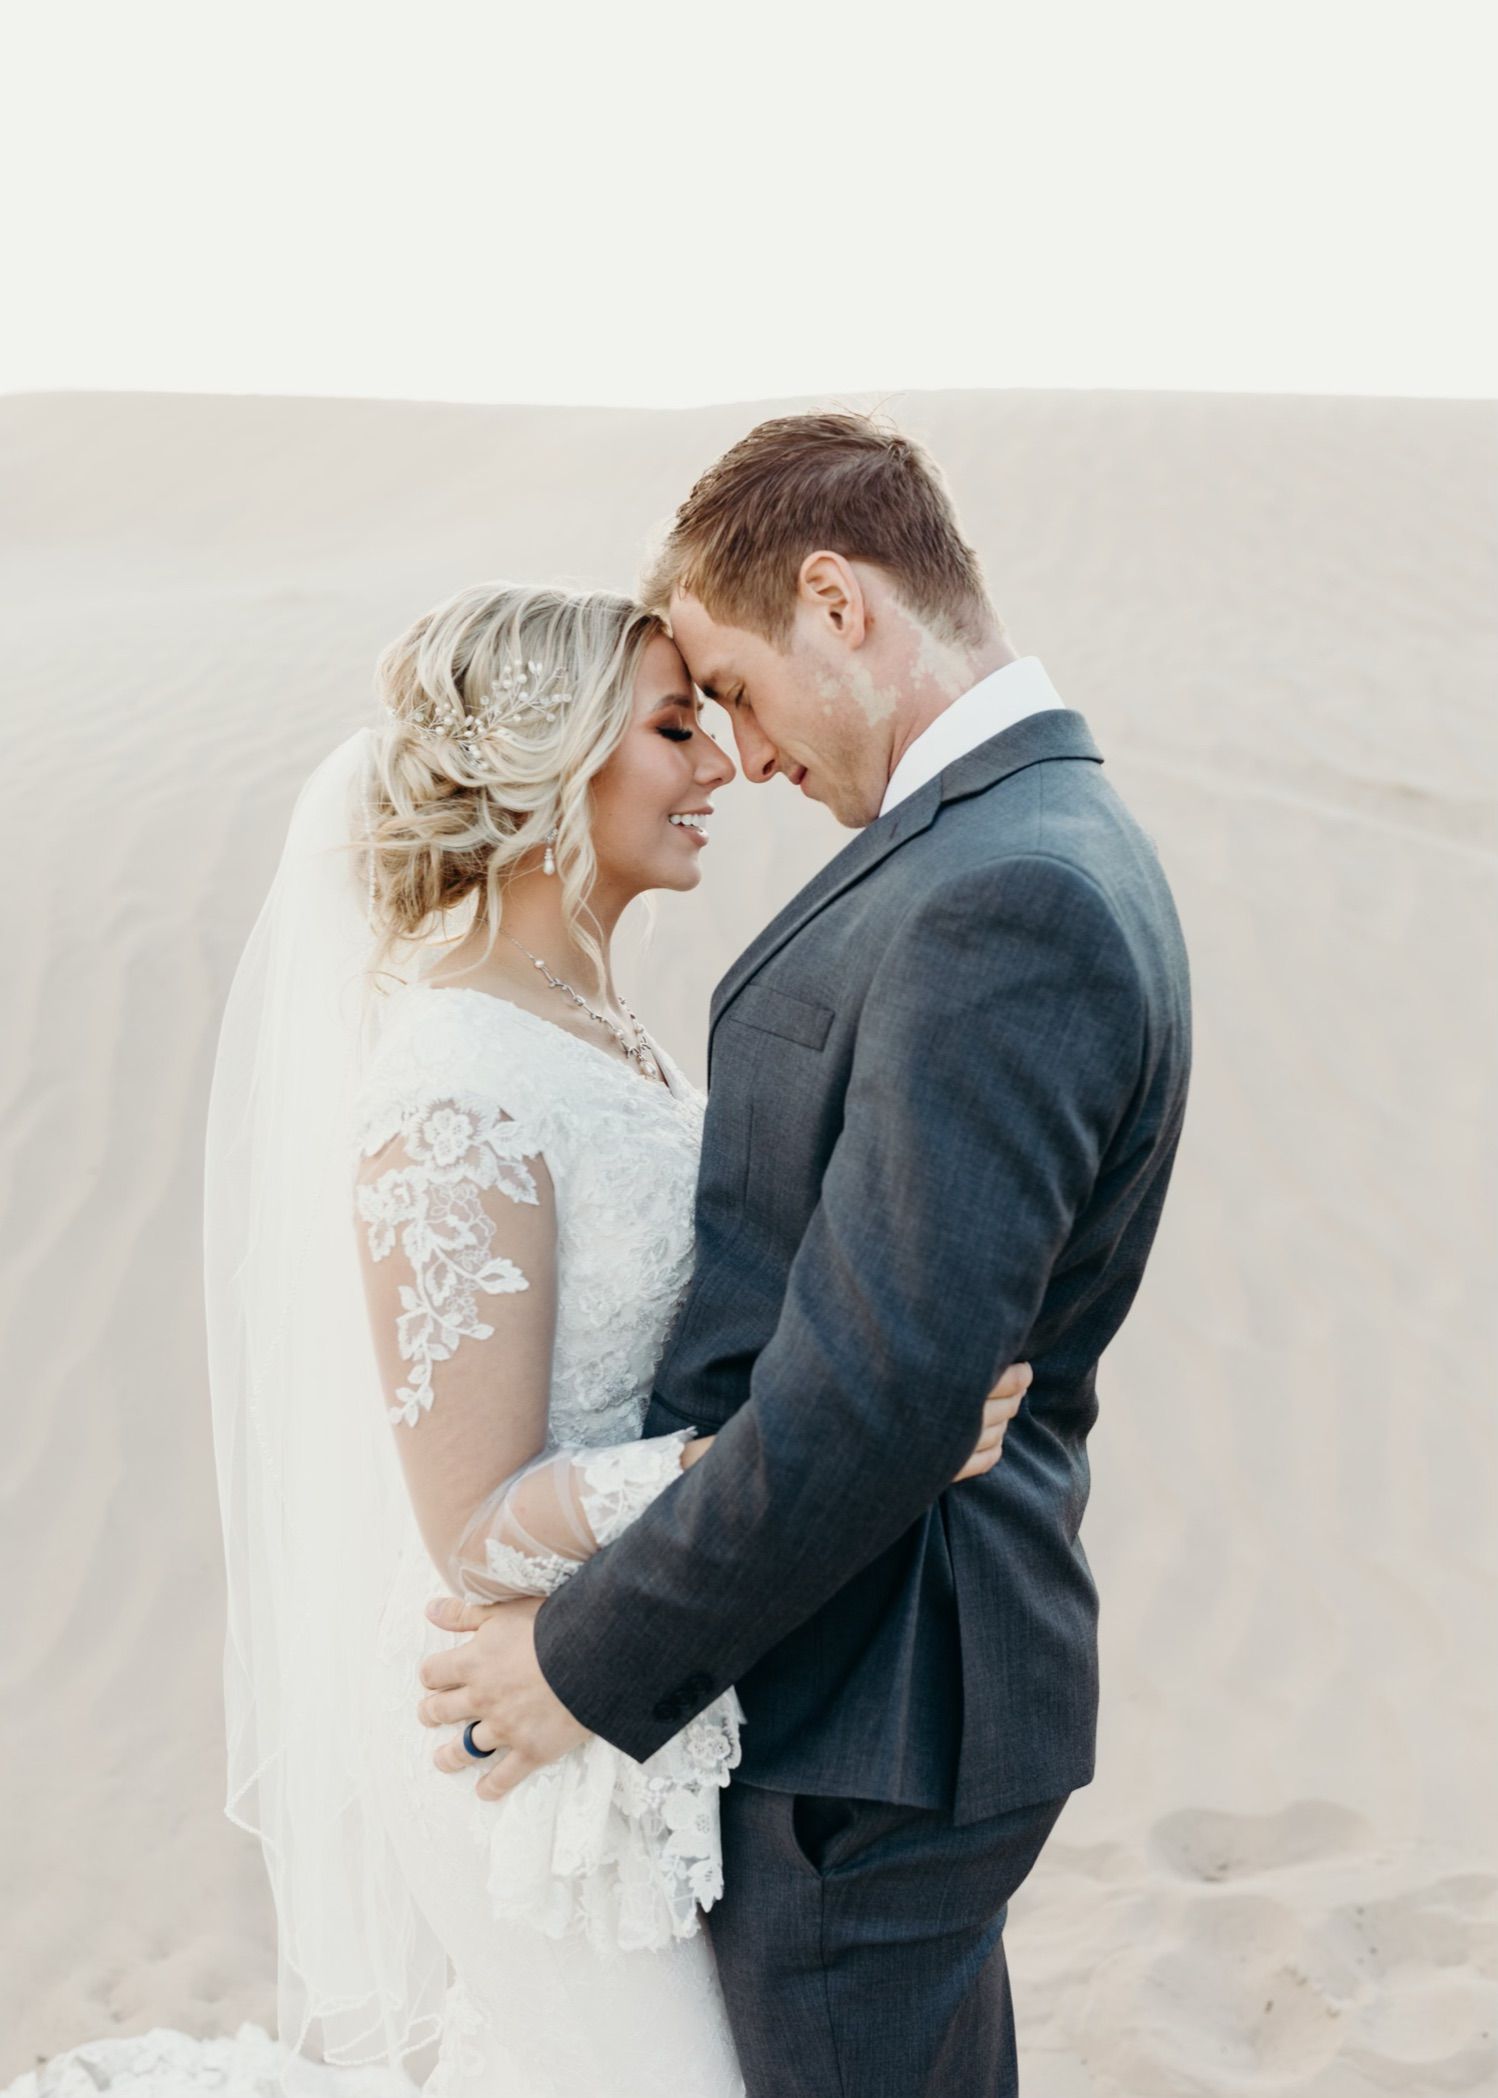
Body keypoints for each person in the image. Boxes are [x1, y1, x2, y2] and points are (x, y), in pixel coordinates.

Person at [417, 414, 1193, 2097]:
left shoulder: (1005, 892)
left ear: (836, 601)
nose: (741, 759)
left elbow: (887, 1391)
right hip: (875, 1694)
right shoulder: (1024, 838)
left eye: (735, 692)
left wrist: (579, 1657)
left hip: (870, 1705)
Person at [201, 576, 1026, 2098]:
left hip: (651, 1670)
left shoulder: (608, 1033)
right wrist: (816, 1453)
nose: (720, 763)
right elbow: (473, 1525)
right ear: (549, 757)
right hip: (511, 1716)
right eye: (671, 726)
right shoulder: (453, 1083)